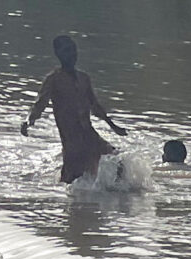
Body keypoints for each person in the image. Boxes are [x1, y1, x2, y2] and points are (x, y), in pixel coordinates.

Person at [22, 35, 125, 185]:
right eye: (67, 51)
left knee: (119, 162)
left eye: (73, 50)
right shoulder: (54, 79)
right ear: (58, 54)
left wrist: (113, 126)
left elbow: (95, 106)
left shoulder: (84, 78)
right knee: (71, 182)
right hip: (71, 141)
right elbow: (39, 104)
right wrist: (28, 121)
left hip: (90, 136)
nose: (72, 54)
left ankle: (116, 192)